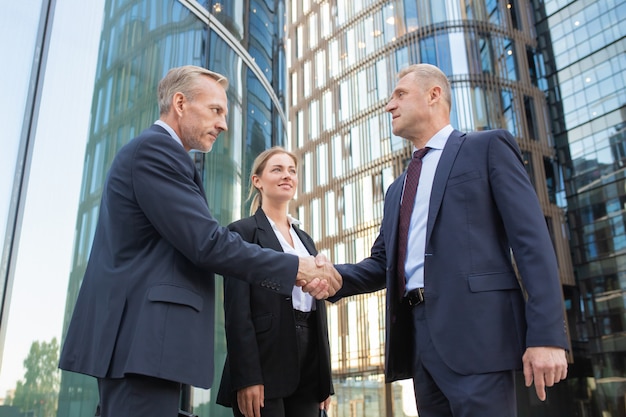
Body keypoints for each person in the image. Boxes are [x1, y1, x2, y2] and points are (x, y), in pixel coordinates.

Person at [58, 66, 341, 417]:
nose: (223, 124)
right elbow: (207, 243)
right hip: (140, 345)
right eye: (216, 110)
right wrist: (295, 267)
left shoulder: (165, 156)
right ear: (180, 103)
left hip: (148, 346)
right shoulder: (156, 152)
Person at [330, 63, 568, 417]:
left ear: (434, 95)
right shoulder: (398, 188)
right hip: (420, 342)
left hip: (479, 335)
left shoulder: (487, 147)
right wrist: (331, 278)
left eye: (400, 95)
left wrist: (547, 335)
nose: (389, 106)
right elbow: (383, 263)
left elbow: (532, 242)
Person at [216, 147, 333, 417]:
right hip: (264, 360)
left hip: (309, 363)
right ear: (257, 181)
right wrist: (246, 376)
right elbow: (237, 313)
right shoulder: (242, 233)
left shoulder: (306, 241)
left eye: (292, 170)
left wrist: (324, 378)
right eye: (277, 169)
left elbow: (318, 313)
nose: (287, 176)